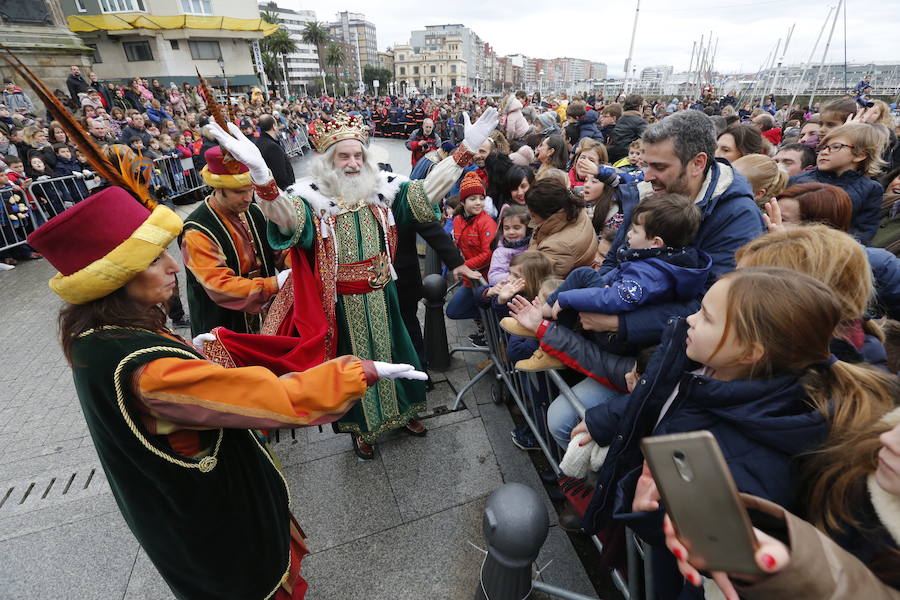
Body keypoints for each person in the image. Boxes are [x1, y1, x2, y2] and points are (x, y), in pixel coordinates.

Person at [26, 184, 425, 600]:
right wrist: (357, 371)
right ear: (114, 279)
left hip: (179, 511)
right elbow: (274, 400)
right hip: (213, 518)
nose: (173, 267)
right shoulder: (148, 369)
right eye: (153, 260)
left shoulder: (99, 335)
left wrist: (194, 353)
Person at [204, 108, 500, 460]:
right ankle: (363, 431)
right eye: (344, 155)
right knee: (354, 365)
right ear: (328, 160)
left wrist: (464, 150)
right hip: (343, 303)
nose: (353, 162)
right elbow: (283, 218)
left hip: (384, 295)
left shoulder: (384, 191)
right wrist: (262, 176)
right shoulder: (311, 201)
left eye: (358, 154)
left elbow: (426, 193)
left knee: (396, 354)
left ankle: (404, 414)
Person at [592, 109, 763, 347]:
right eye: (647, 165)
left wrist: (621, 323)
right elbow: (616, 257)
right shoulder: (649, 194)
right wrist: (594, 299)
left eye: (659, 167)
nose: (647, 176)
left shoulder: (737, 217)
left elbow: (715, 304)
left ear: (697, 163)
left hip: (665, 351)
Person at [181, 146, 284, 337]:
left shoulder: (254, 211)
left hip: (265, 315)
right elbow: (218, 285)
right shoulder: (197, 230)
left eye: (250, 189)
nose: (248, 198)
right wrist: (274, 284)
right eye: (239, 192)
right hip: (224, 324)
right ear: (218, 188)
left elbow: (278, 250)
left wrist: (297, 267)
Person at [790, 122, 887, 244]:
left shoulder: (871, 189)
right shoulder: (798, 180)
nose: (824, 152)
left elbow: (864, 230)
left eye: (836, 146)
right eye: (823, 147)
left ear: (860, 155)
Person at [447, 171, 499, 343]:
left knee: (485, 312)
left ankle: (490, 323)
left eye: (481, 198)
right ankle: (486, 322)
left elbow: (488, 254)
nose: (478, 202)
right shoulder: (458, 219)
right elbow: (456, 244)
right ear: (462, 202)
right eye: (473, 199)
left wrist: (464, 266)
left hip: (483, 279)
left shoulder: (486, 223)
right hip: (471, 279)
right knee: (453, 311)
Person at [526, 178, 598, 278]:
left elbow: (535, 279)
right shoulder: (574, 210)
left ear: (547, 214)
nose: (531, 219)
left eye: (533, 215)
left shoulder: (558, 247)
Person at [487, 204, 531, 285]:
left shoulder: (532, 246)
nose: (511, 232)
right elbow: (493, 277)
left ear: (527, 228)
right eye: (507, 228)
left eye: (516, 228)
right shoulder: (501, 252)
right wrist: (513, 277)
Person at [254, 114, 295, 190]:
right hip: (282, 190)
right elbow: (280, 174)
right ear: (274, 126)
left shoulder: (259, 142)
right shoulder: (272, 147)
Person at [607, 94, 646, 163]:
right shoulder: (639, 121)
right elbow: (646, 139)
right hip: (627, 156)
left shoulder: (621, 118)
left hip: (613, 155)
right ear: (640, 107)